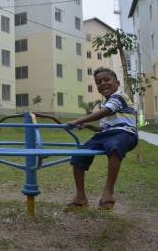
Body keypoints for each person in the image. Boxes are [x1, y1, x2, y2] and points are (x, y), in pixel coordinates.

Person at [64, 67, 138, 213]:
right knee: (80, 154)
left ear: (117, 83)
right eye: (98, 82)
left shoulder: (119, 96)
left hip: (126, 134)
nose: (102, 83)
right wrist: (90, 125)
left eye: (106, 80)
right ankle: (80, 197)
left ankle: (108, 194)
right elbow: (104, 129)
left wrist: (78, 120)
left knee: (114, 146)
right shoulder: (105, 104)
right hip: (107, 135)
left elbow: (105, 112)